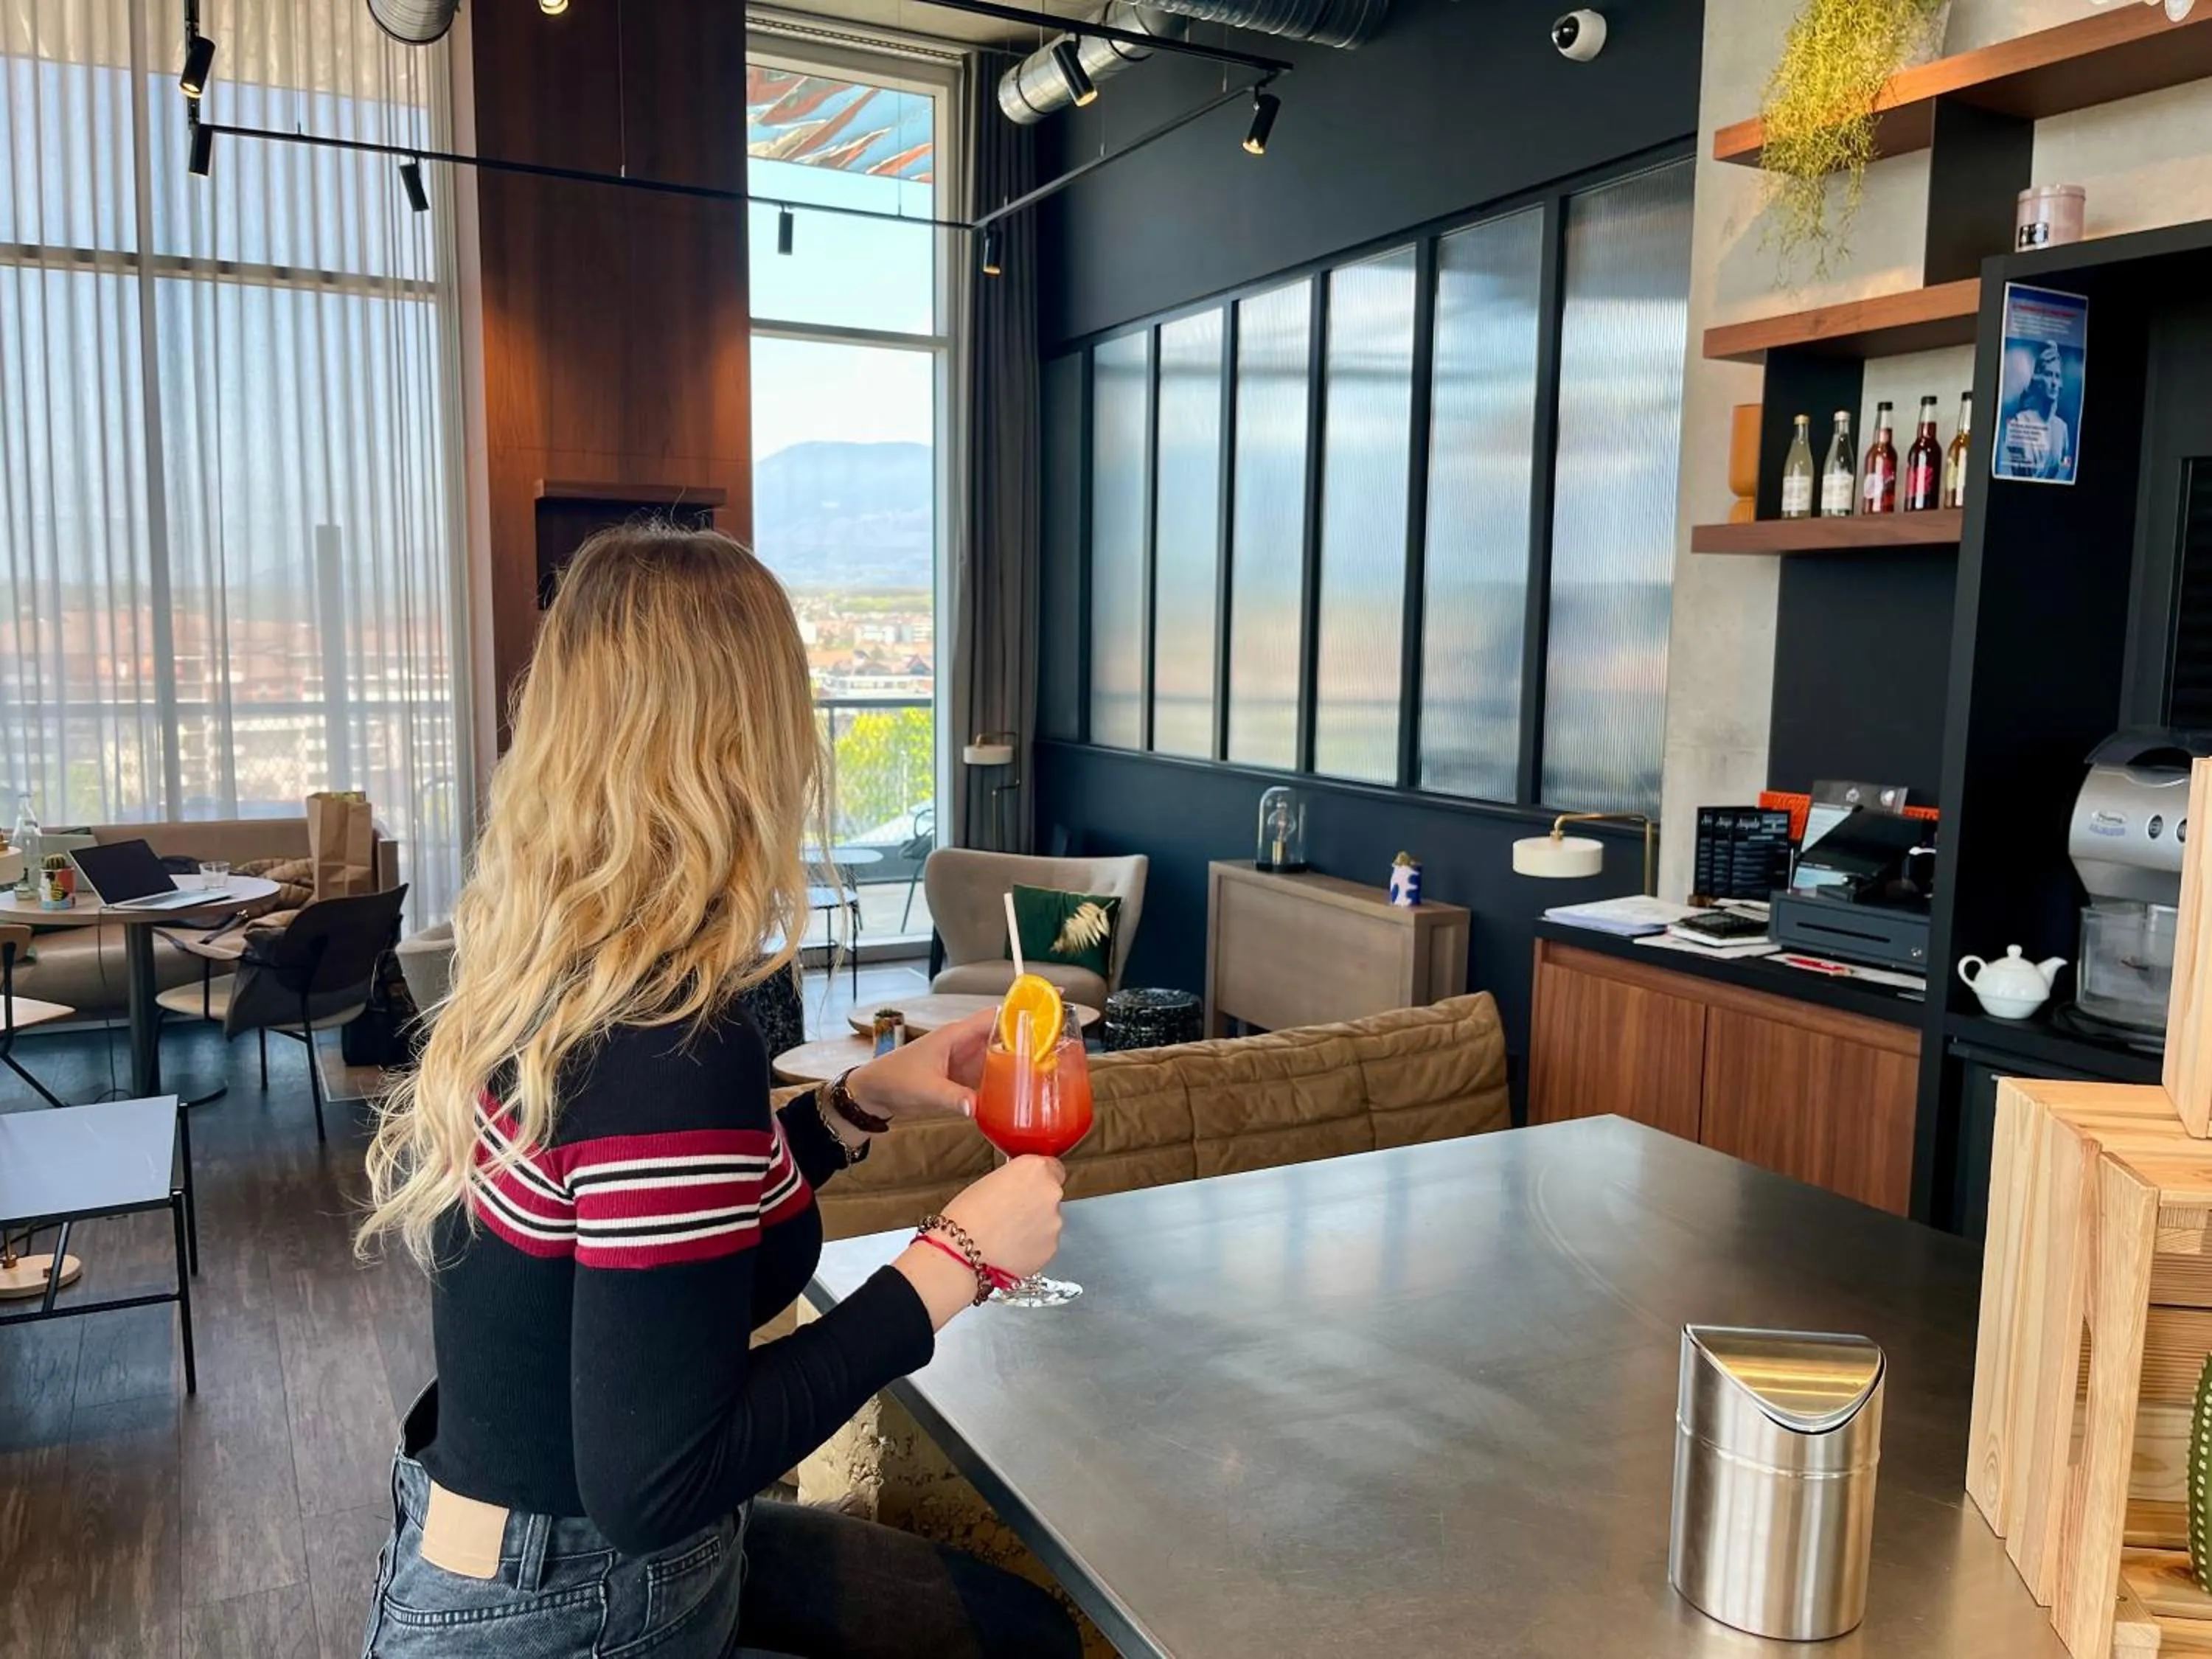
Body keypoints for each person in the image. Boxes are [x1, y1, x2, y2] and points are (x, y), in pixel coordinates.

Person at [356, 525, 1081, 1658]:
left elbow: (663, 1263)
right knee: (1025, 1642)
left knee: (1009, 1627)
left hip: (493, 1567)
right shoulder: (668, 1043)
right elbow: (660, 1477)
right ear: (741, 745)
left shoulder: (563, 977)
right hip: (584, 1608)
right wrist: (956, 1261)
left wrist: (856, 1104)